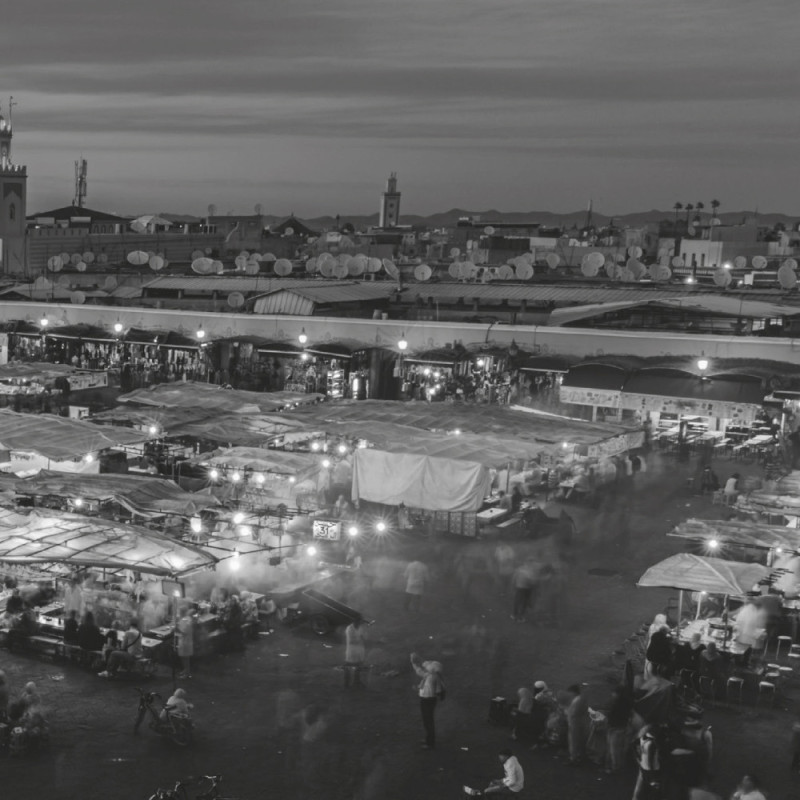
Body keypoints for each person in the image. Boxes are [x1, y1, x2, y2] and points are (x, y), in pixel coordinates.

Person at [410, 653, 444, 749]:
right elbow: (419, 671)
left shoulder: (432, 677)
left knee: (428, 721)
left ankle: (430, 743)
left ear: (432, 670)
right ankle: (428, 739)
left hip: (428, 701)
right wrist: (414, 663)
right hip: (426, 700)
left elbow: (434, 690)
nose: (426, 667)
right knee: (427, 721)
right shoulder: (430, 675)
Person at [605, 685, 633, 773]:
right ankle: (613, 765)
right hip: (621, 727)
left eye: (614, 693)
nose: (612, 694)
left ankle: (615, 767)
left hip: (615, 728)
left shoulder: (616, 703)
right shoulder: (627, 703)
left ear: (618, 694)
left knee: (613, 749)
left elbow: (611, 715)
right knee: (616, 748)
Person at [632, 725, 662, 800]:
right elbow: (650, 760)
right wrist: (653, 777)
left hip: (643, 766)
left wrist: (638, 760)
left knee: (639, 788)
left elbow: (634, 746)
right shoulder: (652, 743)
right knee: (653, 790)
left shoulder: (643, 738)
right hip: (652, 770)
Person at [565, 684, 590, 765]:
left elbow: (573, 713)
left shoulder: (577, 701)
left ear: (573, 692)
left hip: (575, 723)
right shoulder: (579, 699)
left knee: (573, 741)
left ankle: (573, 759)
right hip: (579, 723)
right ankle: (578, 757)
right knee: (579, 741)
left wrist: (565, 711)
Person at [344, 615, 367, 689]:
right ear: (354, 621)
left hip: (359, 650)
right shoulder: (349, 629)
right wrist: (360, 639)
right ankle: (346, 684)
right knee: (348, 666)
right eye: (358, 622)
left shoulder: (360, 628)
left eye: (360, 622)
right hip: (351, 650)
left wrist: (362, 638)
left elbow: (364, 637)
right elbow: (351, 641)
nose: (359, 624)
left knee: (358, 666)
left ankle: (357, 682)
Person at [176, 606, 195, 679]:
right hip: (182, 641)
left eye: (179, 612)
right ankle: (185, 670)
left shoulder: (187, 620)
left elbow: (184, 632)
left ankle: (187, 673)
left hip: (186, 642)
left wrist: (177, 629)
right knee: (182, 657)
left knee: (186, 658)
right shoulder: (184, 619)